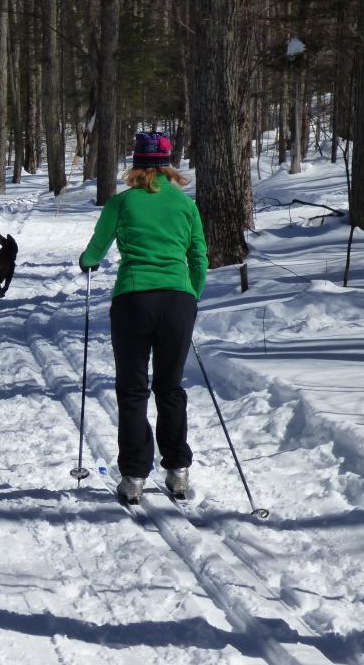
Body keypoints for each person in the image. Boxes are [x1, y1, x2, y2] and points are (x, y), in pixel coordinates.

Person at [78, 132, 208, 502]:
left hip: (134, 299)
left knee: (133, 389)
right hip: (178, 300)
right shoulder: (185, 205)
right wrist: (191, 295)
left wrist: (87, 261)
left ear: (135, 164)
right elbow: (199, 257)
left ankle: (134, 476)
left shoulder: (122, 203)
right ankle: (178, 470)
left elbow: (96, 249)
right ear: (170, 165)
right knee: (170, 386)